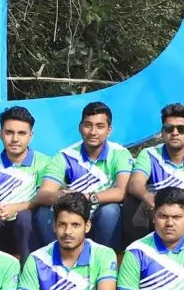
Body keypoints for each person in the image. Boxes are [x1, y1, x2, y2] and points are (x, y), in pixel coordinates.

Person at [33, 101, 132, 252]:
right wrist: (62, 197)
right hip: (70, 213)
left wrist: (86, 197)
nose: (93, 132)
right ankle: (55, 259)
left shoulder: (120, 154)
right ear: (80, 127)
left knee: (110, 211)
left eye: (100, 126)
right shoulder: (65, 156)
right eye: (88, 125)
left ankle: (107, 260)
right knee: (43, 213)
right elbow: (43, 194)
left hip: (100, 211)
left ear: (109, 130)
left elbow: (120, 192)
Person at [124, 103, 184, 247]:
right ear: (162, 133)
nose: (175, 133)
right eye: (169, 128)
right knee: (133, 202)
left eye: (181, 129)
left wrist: (178, 201)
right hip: (156, 207)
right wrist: (148, 197)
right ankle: (136, 252)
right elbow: (135, 183)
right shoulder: (149, 154)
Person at [0, 106, 50, 262]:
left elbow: (44, 199)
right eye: (9, 132)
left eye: (21, 133)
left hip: (28, 226)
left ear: (31, 136)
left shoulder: (44, 163)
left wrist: (15, 208)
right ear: (0, 134)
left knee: (25, 218)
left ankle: (28, 271)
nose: (15, 139)